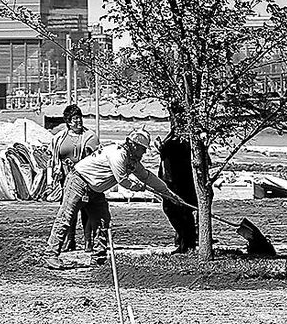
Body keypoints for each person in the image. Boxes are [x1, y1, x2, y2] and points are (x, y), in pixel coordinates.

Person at [44, 128, 192, 269]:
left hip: (95, 189)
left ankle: (98, 257)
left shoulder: (131, 160)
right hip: (79, 182)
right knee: (66, 217)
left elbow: (147, 176)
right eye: (143, 149)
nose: (145, 152)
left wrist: (168, 192)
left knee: (102, 220)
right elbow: (122, 180)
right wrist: (138, 187)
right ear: (134, 145)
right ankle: (51, 254)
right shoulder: (118, 154)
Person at [50, 103, 100, 251]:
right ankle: (69, 240)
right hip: (66, 179)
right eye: (74, 118)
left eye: (79, 118)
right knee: (69, 209)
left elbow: (96, 155)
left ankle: (88, 242)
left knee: (86, 209)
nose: (78, 121)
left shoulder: (89, 136)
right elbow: (53, 158)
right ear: (68, 121)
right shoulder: (59, 138)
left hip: (85, 178)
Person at [157, 125, 198, 253]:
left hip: (180, 184)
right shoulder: (179, 141)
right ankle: (185, 243)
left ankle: (186, 244)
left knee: (180, 212)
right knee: (181, 213)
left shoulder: (180, 143)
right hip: (177, 184)